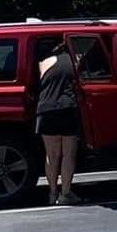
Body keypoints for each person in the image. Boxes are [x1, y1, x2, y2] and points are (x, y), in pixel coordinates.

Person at [35, 36, 82, 205]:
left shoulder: (44, 62)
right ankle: (66, 194)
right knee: (68, 154)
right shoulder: (75, 62)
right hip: (66, 107)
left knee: (52, 155)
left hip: (45, 109)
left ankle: (52, 193)